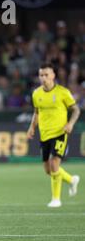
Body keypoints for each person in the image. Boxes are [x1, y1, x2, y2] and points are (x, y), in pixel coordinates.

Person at [27, 63, 81, 208]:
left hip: (60, 133)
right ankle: (71, 180)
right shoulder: (36, 93)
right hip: (44, 134)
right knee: (48, 170)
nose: (43, 78)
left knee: (54, 163)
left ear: (53, 76)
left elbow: (76, 110)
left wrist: (70, 124)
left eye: (46, 75)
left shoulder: (63, 92)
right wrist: (32, 127)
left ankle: (56, 199)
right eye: (41, 75)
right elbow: (36, 112)